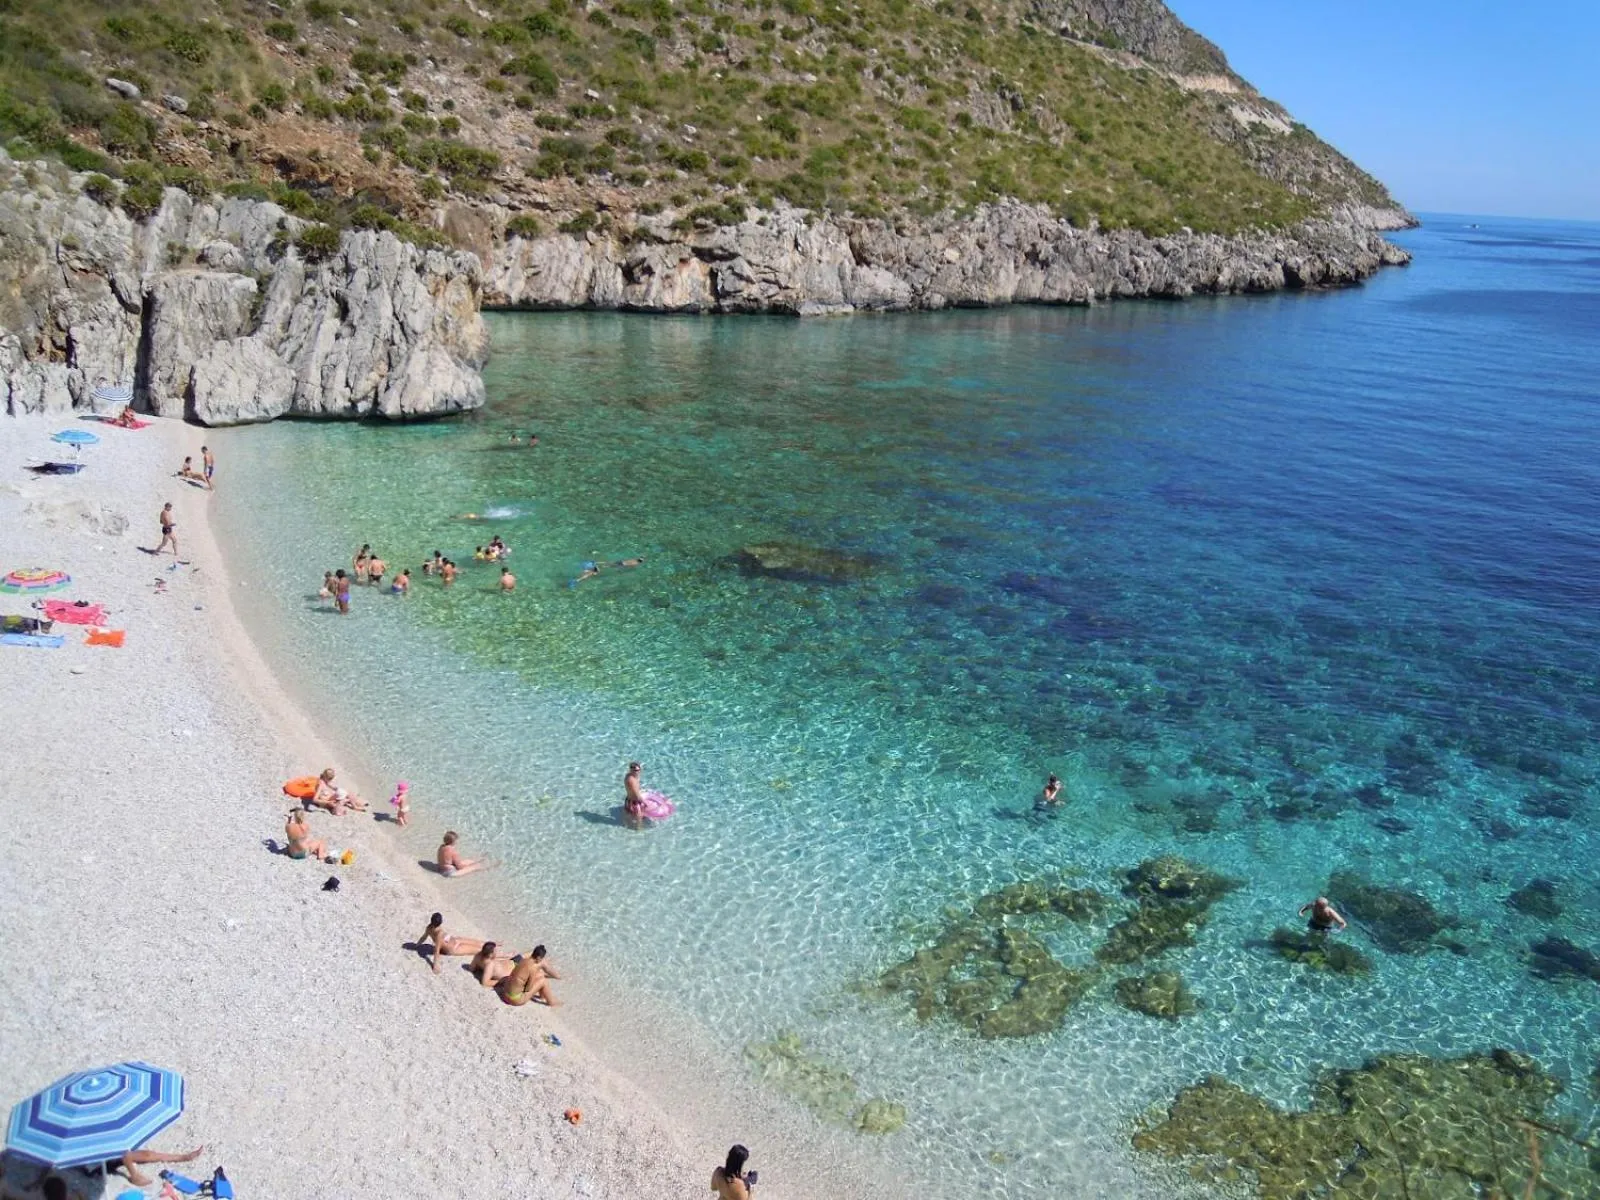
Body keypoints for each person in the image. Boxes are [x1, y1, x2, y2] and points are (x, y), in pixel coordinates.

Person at [106, 1145, 205, 1188]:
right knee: (126, 1154)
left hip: (110, 1153)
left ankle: (183, 1157)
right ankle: (135, 1177)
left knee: (146, 1154)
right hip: (97, 1163)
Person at [418, 912, 487, 973]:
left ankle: (495, 945)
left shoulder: (429, 927)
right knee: (479, 949)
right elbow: (436, 951)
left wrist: (417, 944)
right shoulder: (439, 934)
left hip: (454, 940)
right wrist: (435, 966)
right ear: (441, 922)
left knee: (480, 943)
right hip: (455, 948)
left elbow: (424, 937)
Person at [496, 944, 560, 1007]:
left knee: (540, 975)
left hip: (505, 994)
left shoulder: (522, 960)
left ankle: (542, 996)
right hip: (515, 999)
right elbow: (528, 989)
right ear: (538, 958)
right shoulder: (532, 968)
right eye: (541, 959)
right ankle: (552, 1003)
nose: (541, 960)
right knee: (543, 981)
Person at [623, 761, 646, 826]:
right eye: (636, 770)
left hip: (628, 799)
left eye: (639, 770)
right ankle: (639, 830)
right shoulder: (631, 780)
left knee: (627, 812)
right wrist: (644, 802)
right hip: (634, 802)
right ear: (631, 770)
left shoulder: (629, 775)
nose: (638, 772)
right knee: (639, 817)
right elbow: (637, 795)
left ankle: (625, 823)